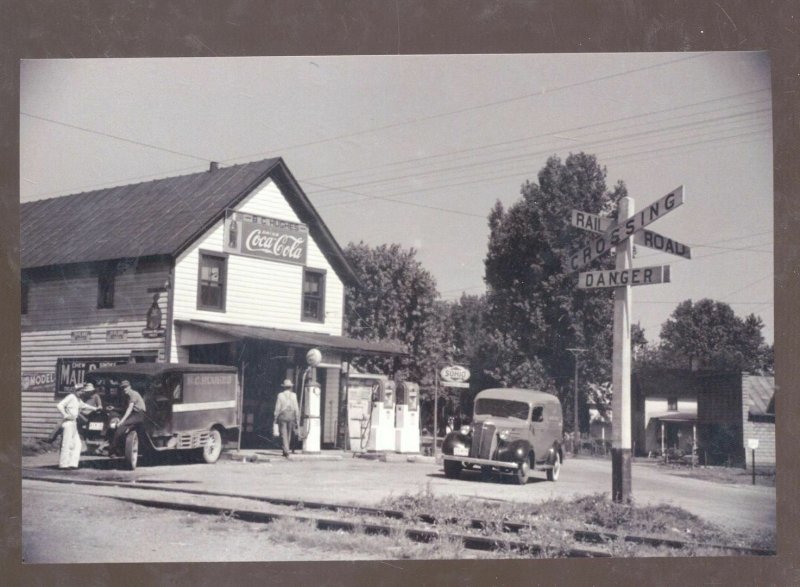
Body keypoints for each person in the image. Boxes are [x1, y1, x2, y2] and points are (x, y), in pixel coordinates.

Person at [54, 384, 99, 469]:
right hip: (68, 422)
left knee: (77, 444)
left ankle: (72, 464)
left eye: (82, 391)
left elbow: (85, 405)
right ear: (76, 391)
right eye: (80, 391)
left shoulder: (78, 399)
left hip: (74, 423)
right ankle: (63, 464)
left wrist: (96, 409)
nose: (82, 392)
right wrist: (65, 415)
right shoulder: (71, 396)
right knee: (66, 443)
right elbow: (59, 405)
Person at [112, 380, 146, 455]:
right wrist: (113, 408)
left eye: (126, 387)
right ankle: (118, 448)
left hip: (138, 414)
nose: (124, 389)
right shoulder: (127, 396)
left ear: (130, 387)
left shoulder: (133, 394)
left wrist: (122, 421)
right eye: (123, 388)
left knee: (121, 427)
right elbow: (125, 408)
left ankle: (113, 450)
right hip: (134, 414)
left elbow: (129, 409)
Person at [273, 379, 300, 458]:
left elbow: (277, 407)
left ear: (284, 387)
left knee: (283, 433)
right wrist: (297, 417)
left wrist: (275, 416)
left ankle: (286, 450)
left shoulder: (280, 395)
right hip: (291, 415)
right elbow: (296, 407)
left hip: (283, 415)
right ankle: (287, 449)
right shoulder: (294, 395)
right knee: (289, 433)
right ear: (290, 387)